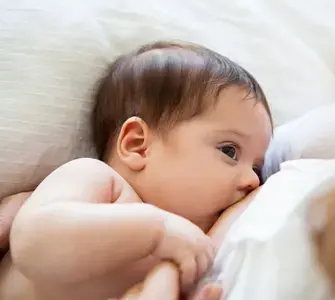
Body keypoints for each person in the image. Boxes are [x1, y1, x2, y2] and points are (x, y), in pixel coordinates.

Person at [0, 40, 273, 300]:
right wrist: (157, 230)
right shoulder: (98, 182)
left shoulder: (183, 254)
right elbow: (34, 243)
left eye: (258, 168)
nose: (252, 180)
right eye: (229, 151)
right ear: (138, 146)